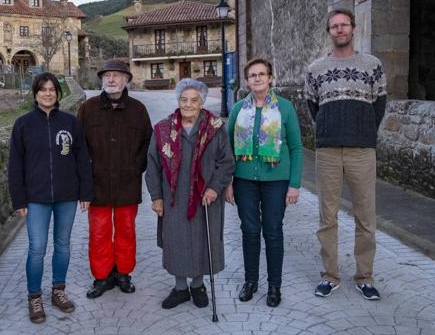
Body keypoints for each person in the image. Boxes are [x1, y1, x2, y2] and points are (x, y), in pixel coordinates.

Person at [304, 8, 387, 300]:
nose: (339, 30)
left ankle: (365, 276)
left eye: (344, 25)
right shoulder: (316, 69)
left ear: (353, 28)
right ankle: (330, 275)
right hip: (327, 150)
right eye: (334, 26)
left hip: (362, 150)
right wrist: (331, 128)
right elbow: (313, 105)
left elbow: (379, 104)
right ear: (329, 32)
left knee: (365, 216)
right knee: (327, 216)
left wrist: (362, 129)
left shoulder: (372, 65)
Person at [7, 72, 92, 323]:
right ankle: (34, 296)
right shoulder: (23, 124)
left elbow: (82, 158)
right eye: (43, 89)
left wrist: (85, 193)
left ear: (58, 93)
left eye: (52, 89)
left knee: (63, 245)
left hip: (67, 195)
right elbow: (15, 165)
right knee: (37, 249)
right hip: (36, 197)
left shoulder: (70, 122)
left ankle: (58, 291)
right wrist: (18, 199)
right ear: (35, 93)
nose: (47, 93)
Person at [145, 78, 234, 309]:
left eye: (194, 100)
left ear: (202, 103)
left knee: (203, 239)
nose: (188, 104)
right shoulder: (163, 129)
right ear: (178, 100)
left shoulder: (215, 128)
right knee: (176, 241)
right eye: (184, 100)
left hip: (207, 198)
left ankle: (198, 285)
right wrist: (156, 196)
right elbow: (152, 164)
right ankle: (180, 288)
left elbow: (226, 162)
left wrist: (215, 188)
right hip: (173, 198)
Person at [226, 58, 303, 307]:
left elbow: (296, 148)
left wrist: (294, 184)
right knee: (249, 231)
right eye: (252, 75)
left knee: (273, 231)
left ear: (271, 78)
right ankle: (251, 281)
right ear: (247, 81)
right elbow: (227, 149)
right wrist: (227, 183)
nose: (257, 78)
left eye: (262, 74)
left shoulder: (285, 108)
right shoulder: (238, 109)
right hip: (244, 180)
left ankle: (274, 285)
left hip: (276, 181)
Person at [77, 59, 152, 299]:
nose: (111, 79)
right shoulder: (87, 109)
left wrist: (135, 168)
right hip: (96, 184)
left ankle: (123, 273)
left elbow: (148, 144)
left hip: (127, 184)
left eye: (117, 75)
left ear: (127, 79)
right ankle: (101, 277)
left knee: (126, 230)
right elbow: (79, 148)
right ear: (101, 80)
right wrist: (83, 181)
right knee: (98, 232)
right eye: (107, 75)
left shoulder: (138, 110)